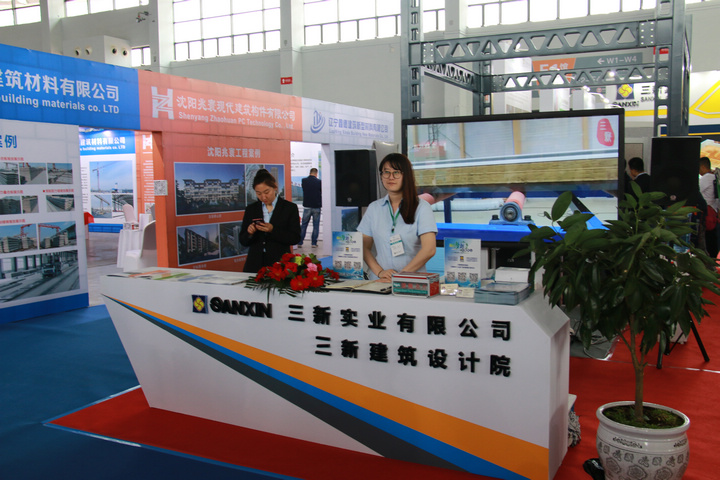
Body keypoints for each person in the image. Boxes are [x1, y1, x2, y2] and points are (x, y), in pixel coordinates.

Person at [357, 153, 437, 281]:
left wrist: (401, 276)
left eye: (396, 172)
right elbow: (363, 246)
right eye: (386, 172)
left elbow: (429, 249)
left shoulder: (422, 207)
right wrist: (379, 272)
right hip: (380, 281)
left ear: (406, 175)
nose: (391, 177)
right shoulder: (374, 208)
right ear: (381, 176)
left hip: (410, 282)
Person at [239, 169, 301, 273]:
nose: (263, 197)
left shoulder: (289, 208)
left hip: (280, 264)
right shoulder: (251, 209)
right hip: (255, 264)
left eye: (266, 192)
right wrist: (249, 233)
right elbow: (243, 240)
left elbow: (295, 238)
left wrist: (273, 230)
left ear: (275, 187)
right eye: (258, 193)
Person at [699, 156, 718, 257]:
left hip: (706, 214)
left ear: (702, 167)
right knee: (712, 241)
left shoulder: (706, 178)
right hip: (714, 214)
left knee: (705, 241)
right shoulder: (715, 177)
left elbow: (696, 191)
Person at [298, 167, 322, 247]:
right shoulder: (319, 182)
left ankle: (300, 242)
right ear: (316, 174)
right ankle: (314, 243)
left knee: (304, 225)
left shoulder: (304, 180)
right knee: (316, 225)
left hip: (307, 206)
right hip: (316, 206)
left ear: (310, 172)